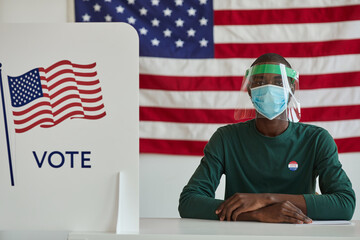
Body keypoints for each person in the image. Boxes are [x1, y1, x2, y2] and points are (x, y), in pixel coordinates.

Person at [178, 53, 355, 224]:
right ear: (249, 90)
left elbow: (345, 204)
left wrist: (266, 199)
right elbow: (189, 202)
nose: (270, 89)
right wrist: (258, 214)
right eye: (260, 82)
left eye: (279, 83)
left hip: (300, 236)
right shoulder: (226, 139)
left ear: (291, 88)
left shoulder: (316, 140)